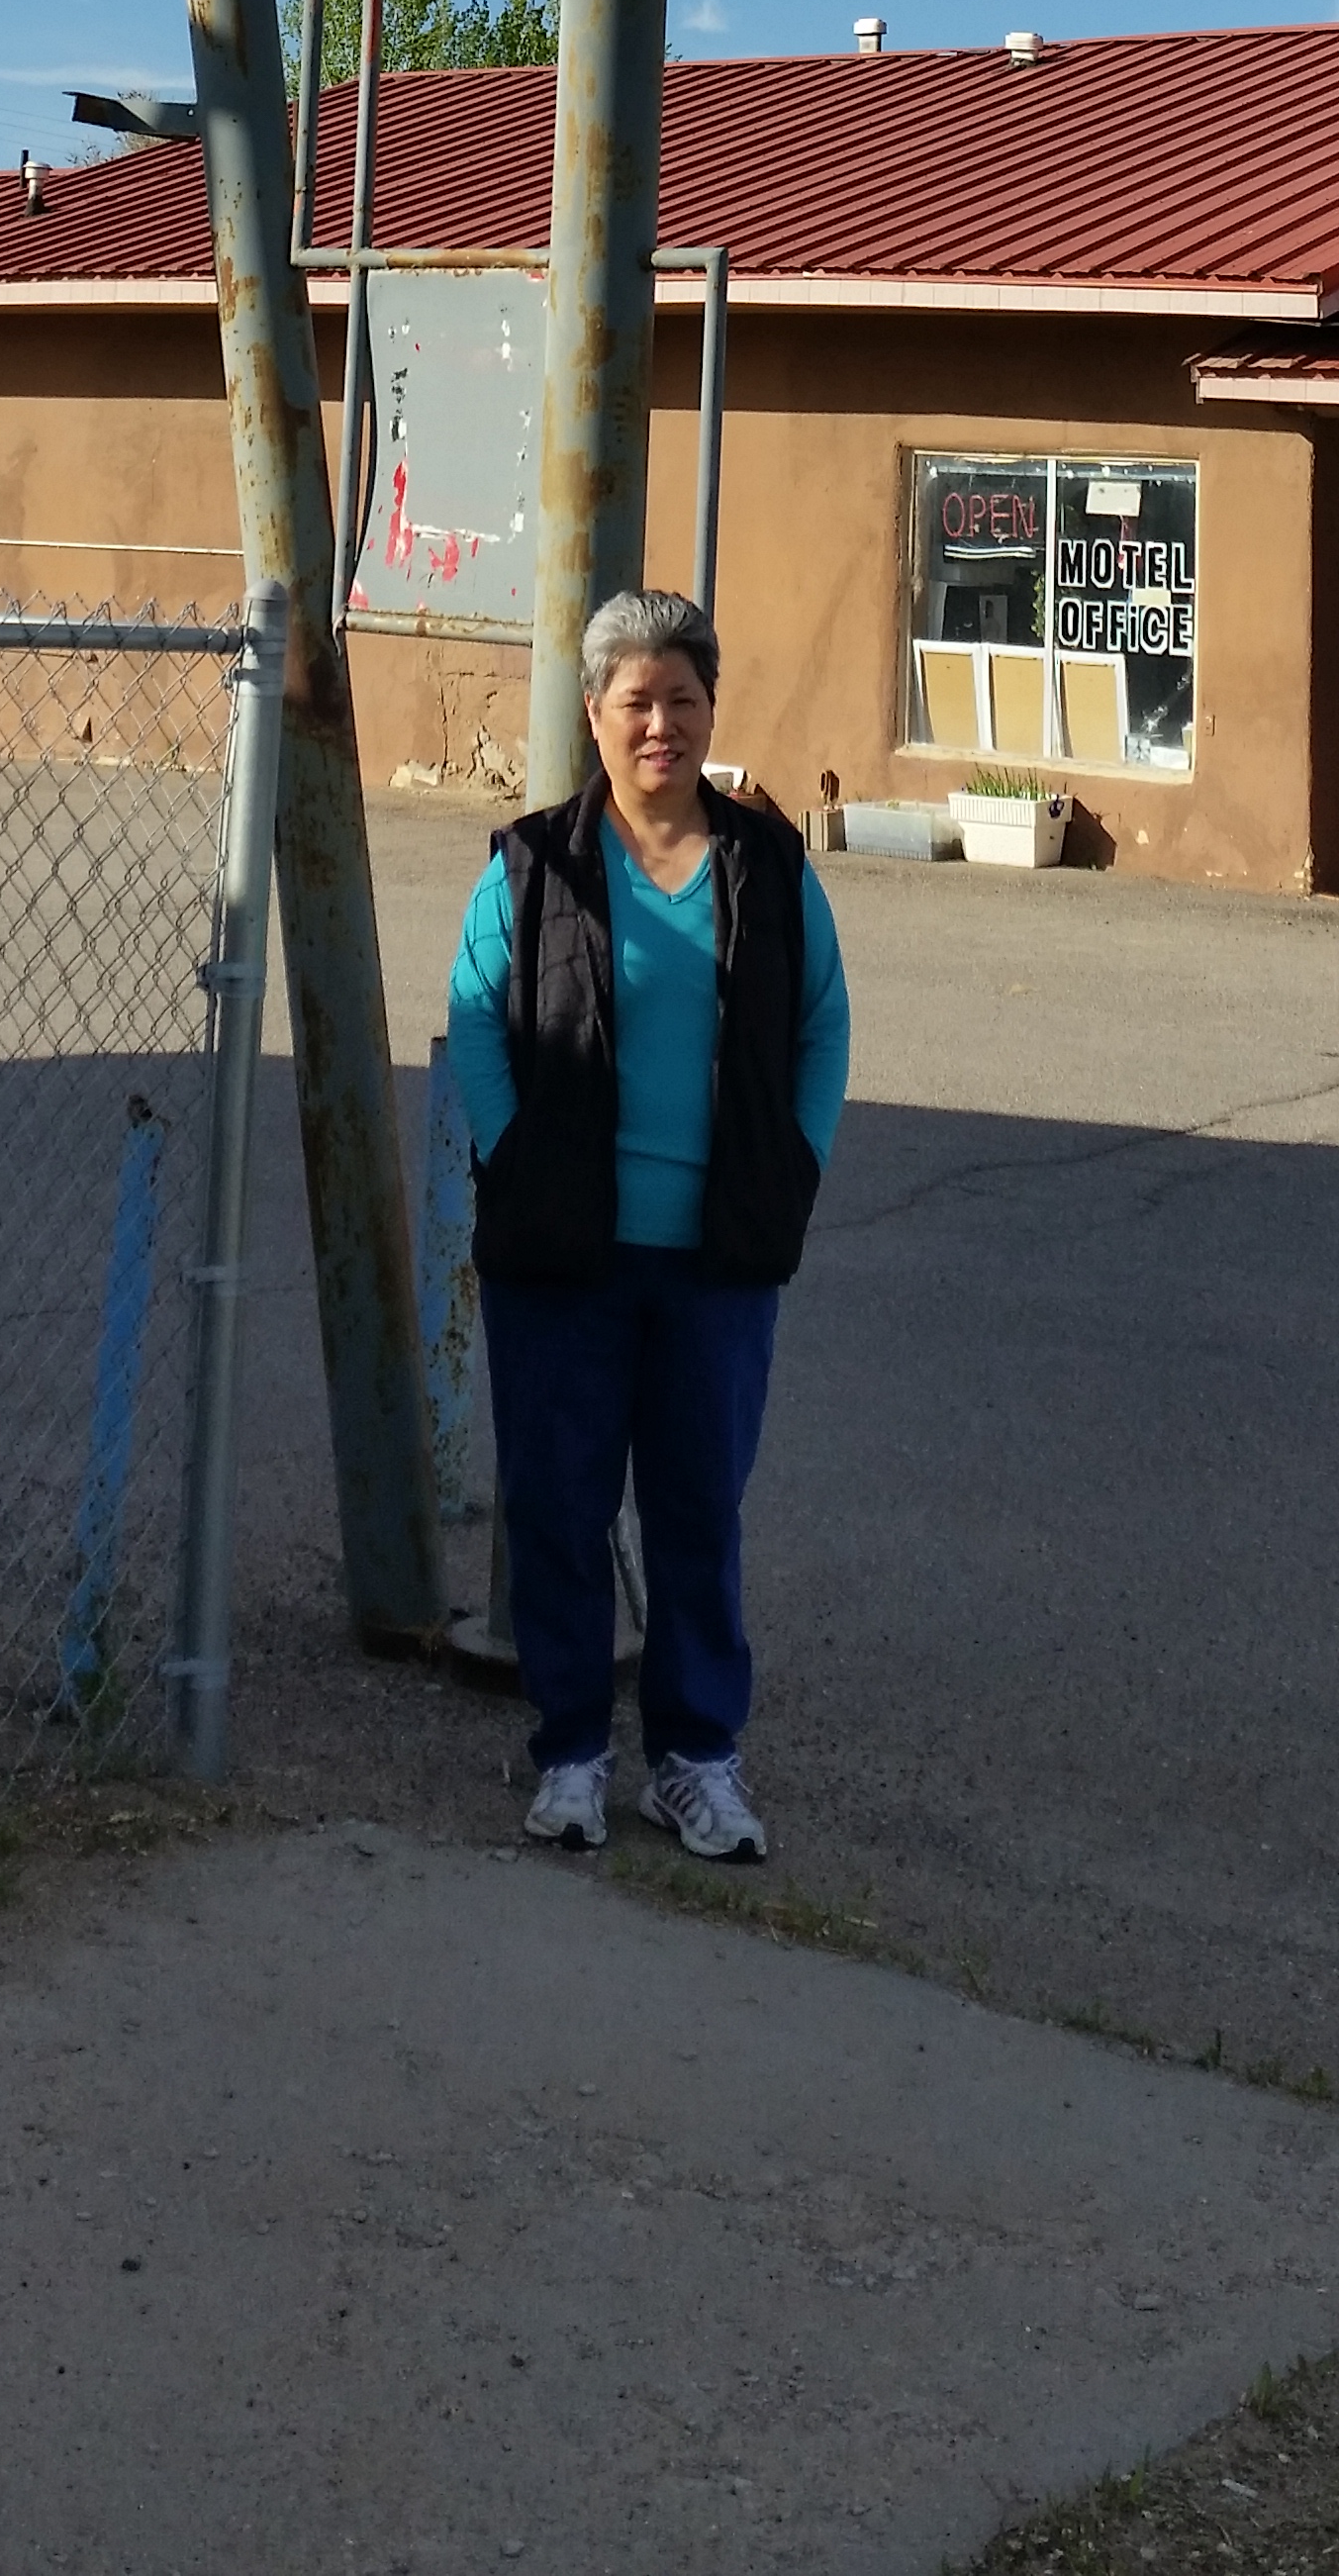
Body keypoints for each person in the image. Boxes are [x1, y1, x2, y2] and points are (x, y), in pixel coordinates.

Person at [445, 589, 850, 1862]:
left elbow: (823, 1026)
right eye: (637, 699)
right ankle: (570, 1752)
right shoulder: (535, 864)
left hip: (716, 1260)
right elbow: (475, 1014)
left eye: (683, 696)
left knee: (696, 1513)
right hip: (564, 1255)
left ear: (711, 707)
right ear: (594, 714)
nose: (661, 722)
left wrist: (793, 1165)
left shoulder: (769, 867)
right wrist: (513, 1155)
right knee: (559, 1504)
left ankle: (695, 1759)